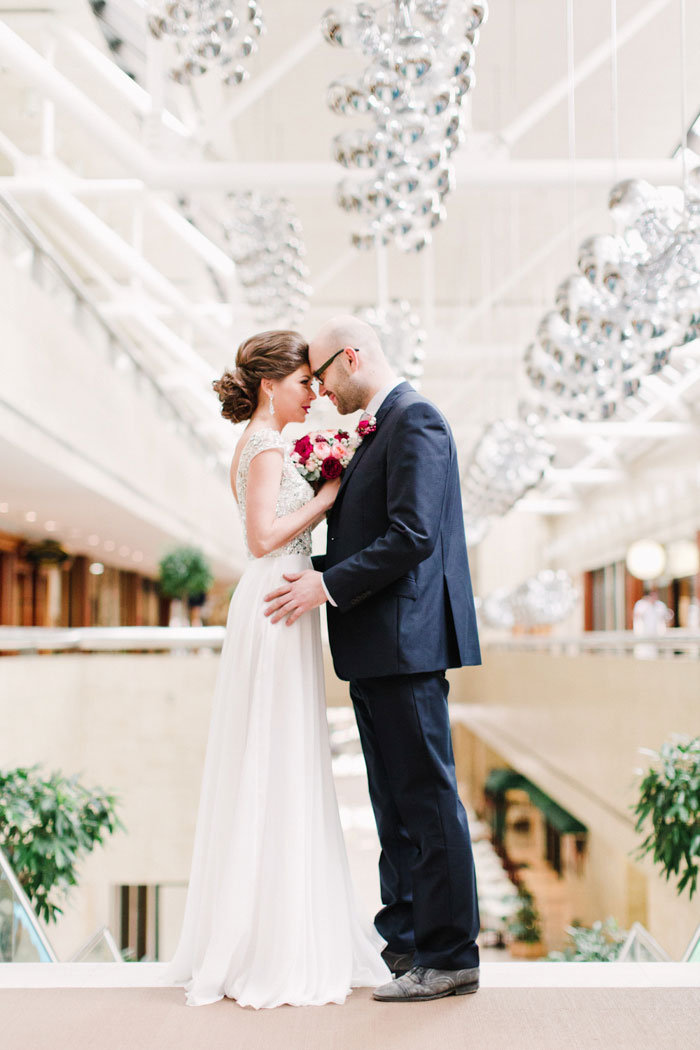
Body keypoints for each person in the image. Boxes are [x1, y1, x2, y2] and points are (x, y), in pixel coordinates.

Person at [164, 329, 390, 1008]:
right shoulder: (264, 446)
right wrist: (332, 490)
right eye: (302, 383)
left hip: (287, 598)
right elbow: (262, 537)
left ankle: (283, 924)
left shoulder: (272, 443)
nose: (314, 393)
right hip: (275, 599)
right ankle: (267, 940)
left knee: (288, 756)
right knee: (274, 756)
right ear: (270, 384)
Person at [264, 316, 482, 1003]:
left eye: (324, 374)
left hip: (405, 645)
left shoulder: (416, 420)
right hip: (375, 644)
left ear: (351, 358)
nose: (323, 392)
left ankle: (449, 956)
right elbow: (374, 533)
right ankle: (407, 946)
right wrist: (313, 570)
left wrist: (324, 584)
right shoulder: (378, 427)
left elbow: (412, 534)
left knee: (425, 800)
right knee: (393, 806)